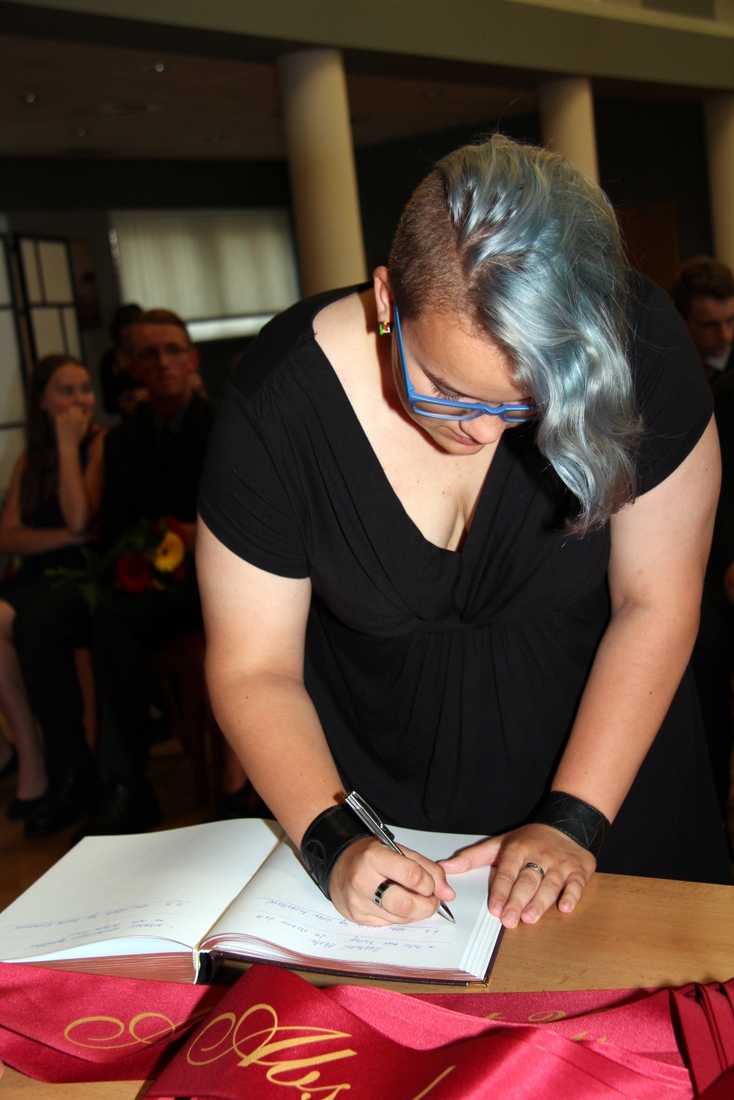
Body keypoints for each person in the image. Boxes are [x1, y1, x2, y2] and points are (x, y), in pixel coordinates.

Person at [197, 135, 731, 934]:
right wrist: (334, 841)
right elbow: (254, 667)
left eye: (529, 402)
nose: (484, 432)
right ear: (387, 299)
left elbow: (654, 601)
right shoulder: (277, 405)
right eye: (447, 391)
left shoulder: (638, 344)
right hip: (391, 825)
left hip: (614, 791)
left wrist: (574, 818)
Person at [15, 310, 214, 839]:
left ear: (191, 359)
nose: (162, 363)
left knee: (116, 618)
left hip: (208, 583)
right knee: (39, 621)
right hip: (141, 576)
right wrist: (143, 554)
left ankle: (127, 785)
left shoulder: (223, 425)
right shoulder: (123, 441)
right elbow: (116, 527)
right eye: (148, 354)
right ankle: (72, 773)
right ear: (132, 368)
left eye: (172, 350)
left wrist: (190, 538)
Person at [0, 355, 105, 820]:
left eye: (85, 388)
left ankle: (44, 764)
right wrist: (64, 537)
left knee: (32, 626)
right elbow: (8, 536)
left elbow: (82, 518)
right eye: (65, 391)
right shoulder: (30, 459)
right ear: (42, 401)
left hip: (81, 574)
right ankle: (27, 752)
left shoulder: (101, 444)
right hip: (37, 572)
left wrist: (67, 448)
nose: (78, 400)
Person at [671, 257, 734, 381]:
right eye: (711, 325)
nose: (725, 335)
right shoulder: (665, 367)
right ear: (681, 320)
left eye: (730, 320)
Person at [98, 303, 146, 417]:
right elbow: (108, 404)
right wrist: (122, 403)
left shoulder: (149, 354)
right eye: (127, 338)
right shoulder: (109, 359)